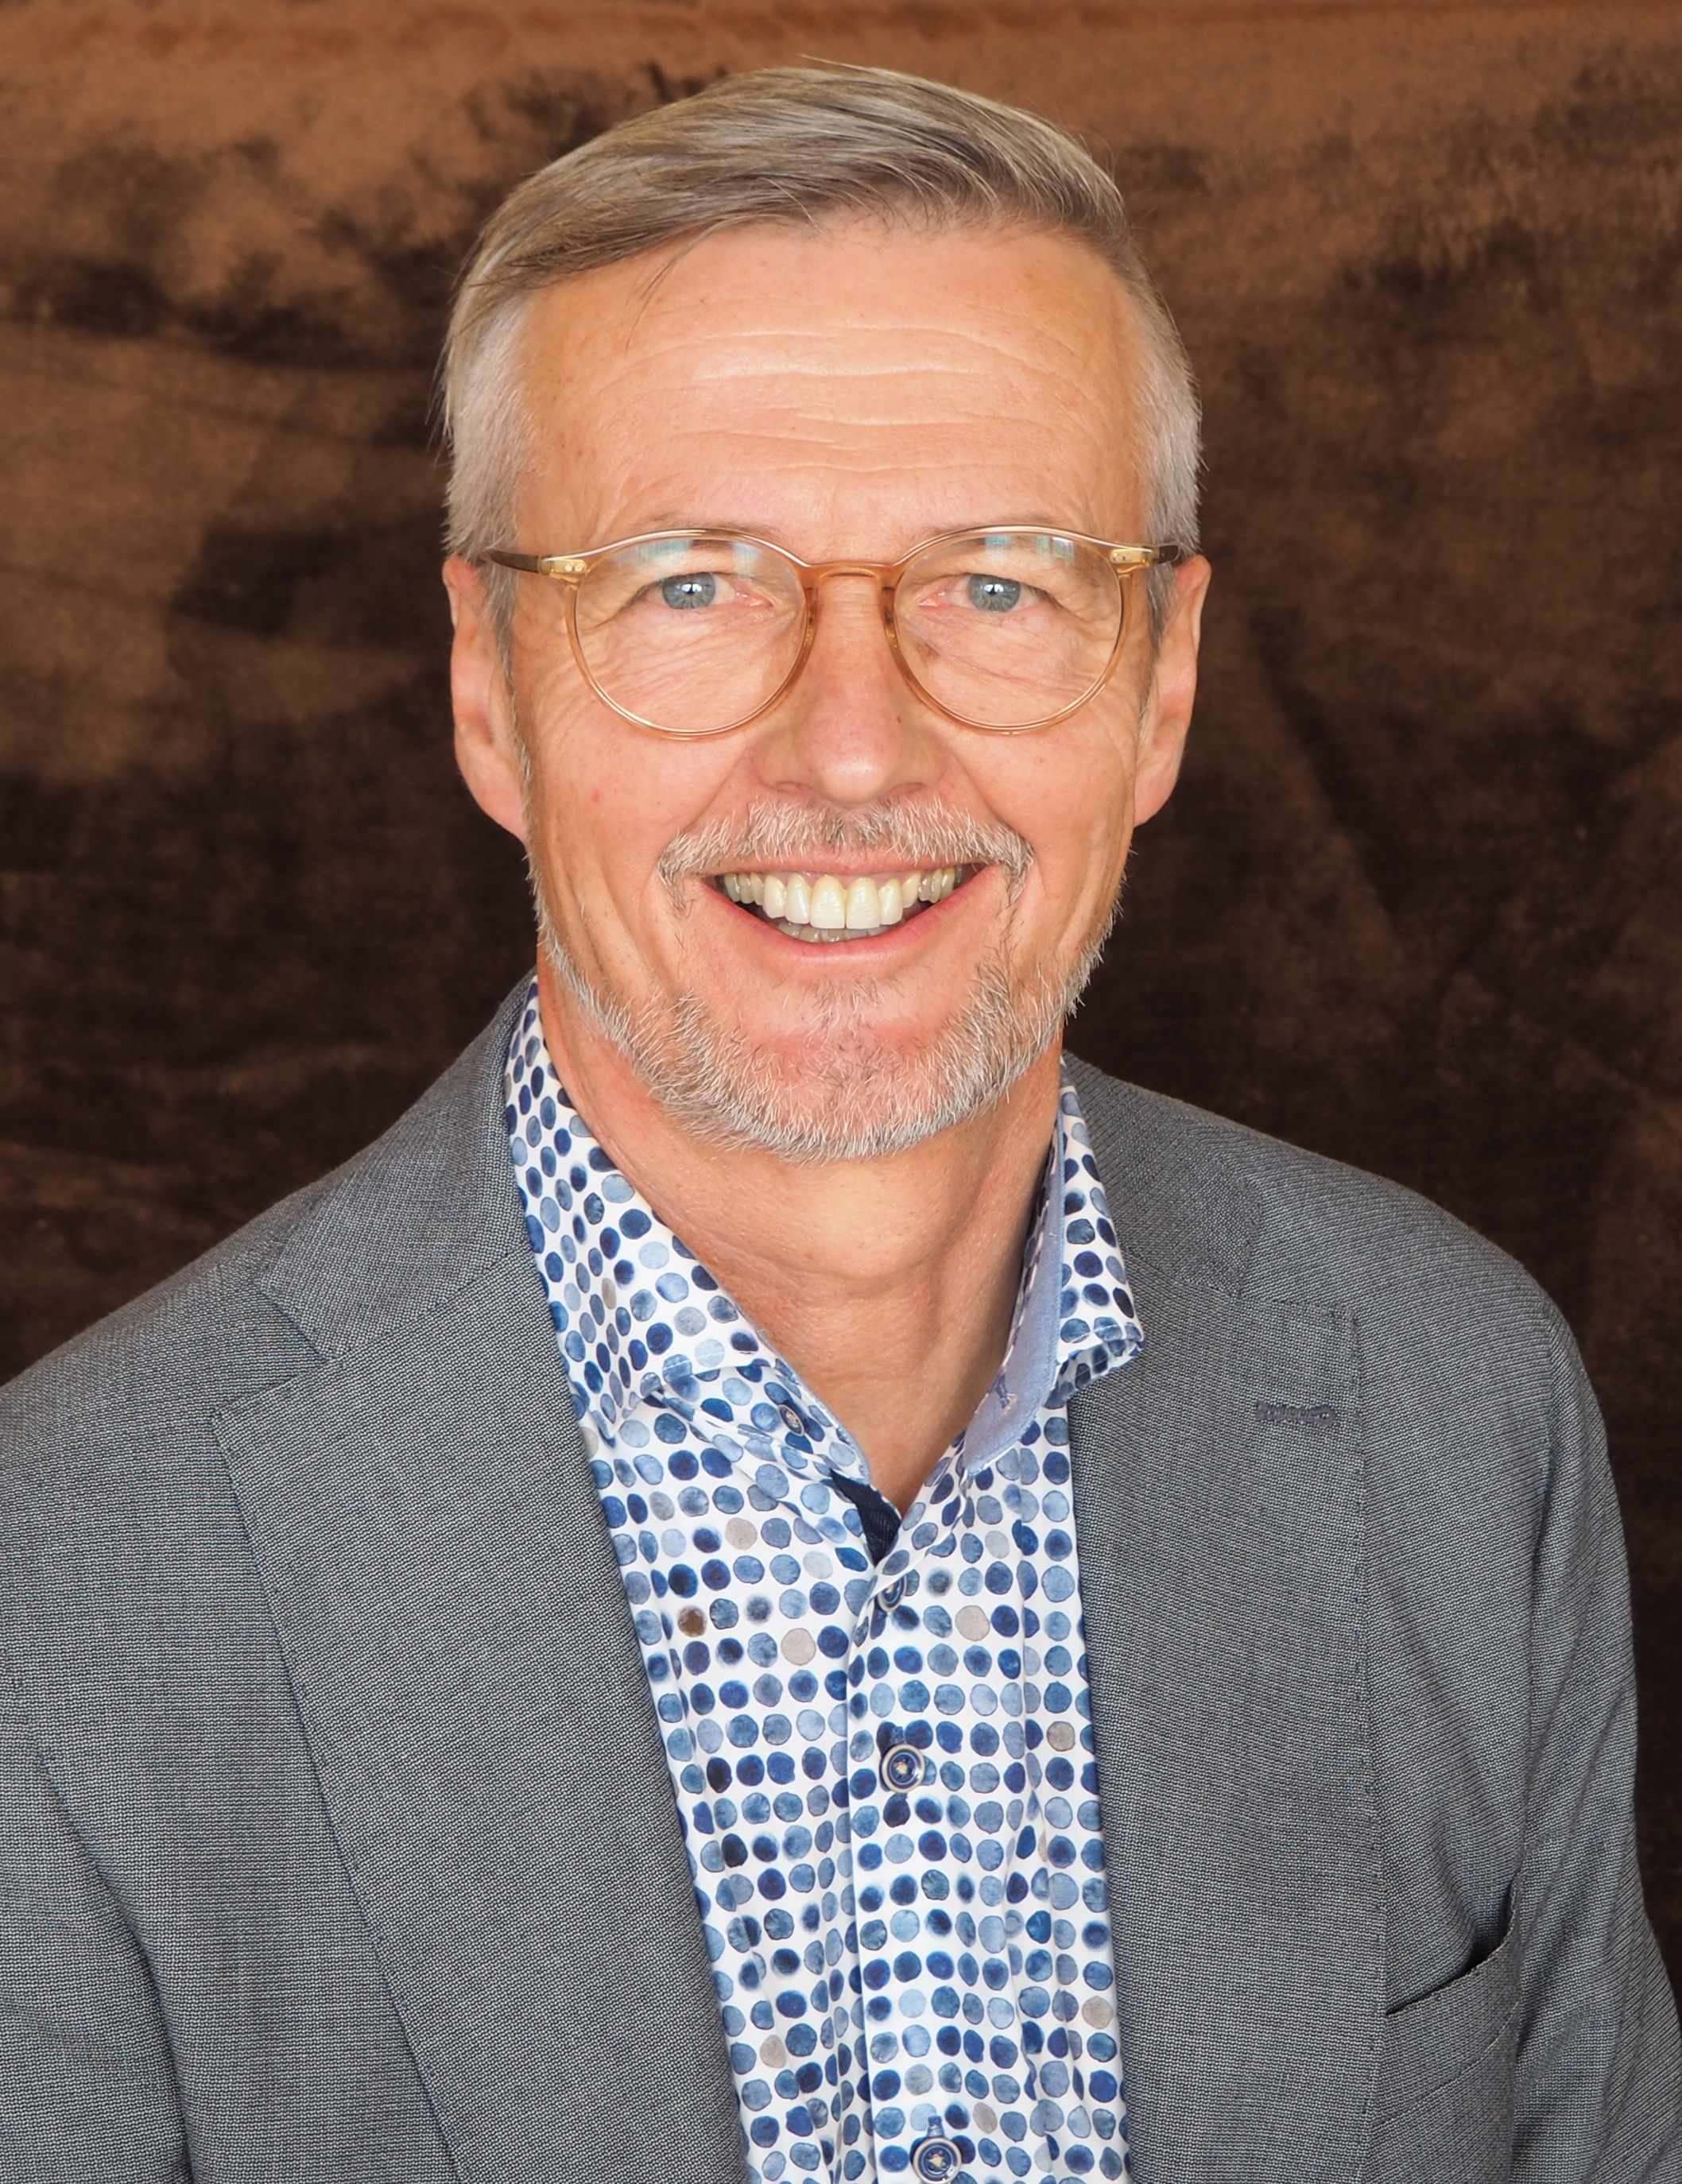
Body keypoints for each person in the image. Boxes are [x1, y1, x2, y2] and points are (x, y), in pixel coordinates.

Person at [0, 63, 1675, 2184]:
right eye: (693, 585)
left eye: (999, 582)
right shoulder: (61, 1597)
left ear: (1159, 680)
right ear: (490, 687)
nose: (855, 748)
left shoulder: (1456, 1403)